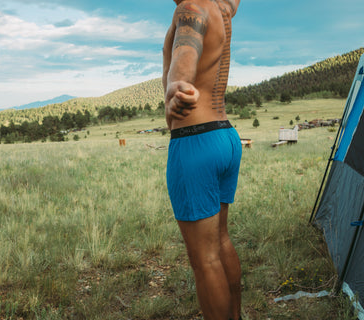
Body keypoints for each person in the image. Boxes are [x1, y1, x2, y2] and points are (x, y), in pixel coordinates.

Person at [162, 1, 242, 319]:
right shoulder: (220, 9)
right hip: (225, 135)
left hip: (195, 141)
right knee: (220, 240)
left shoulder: (191, 8)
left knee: (204, 259)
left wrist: (177, 88)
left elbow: (186, 54)